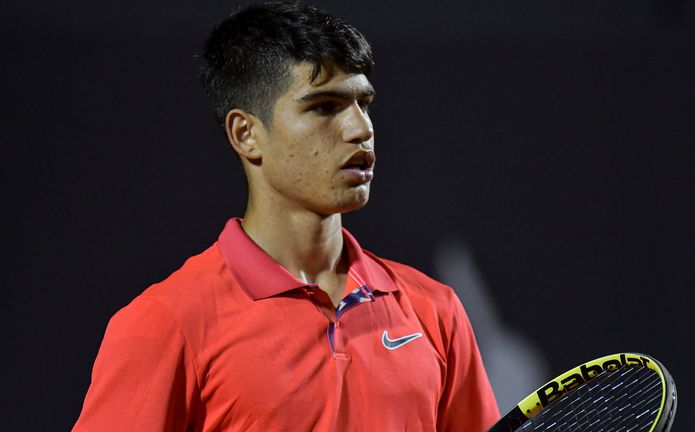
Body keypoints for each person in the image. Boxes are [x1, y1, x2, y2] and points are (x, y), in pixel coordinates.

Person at [73, 2, 499, 430]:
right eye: (324, 106)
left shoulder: (435, 311)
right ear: (247, 134)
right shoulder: (165, 323)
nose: (360, 128)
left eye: (363, 103)